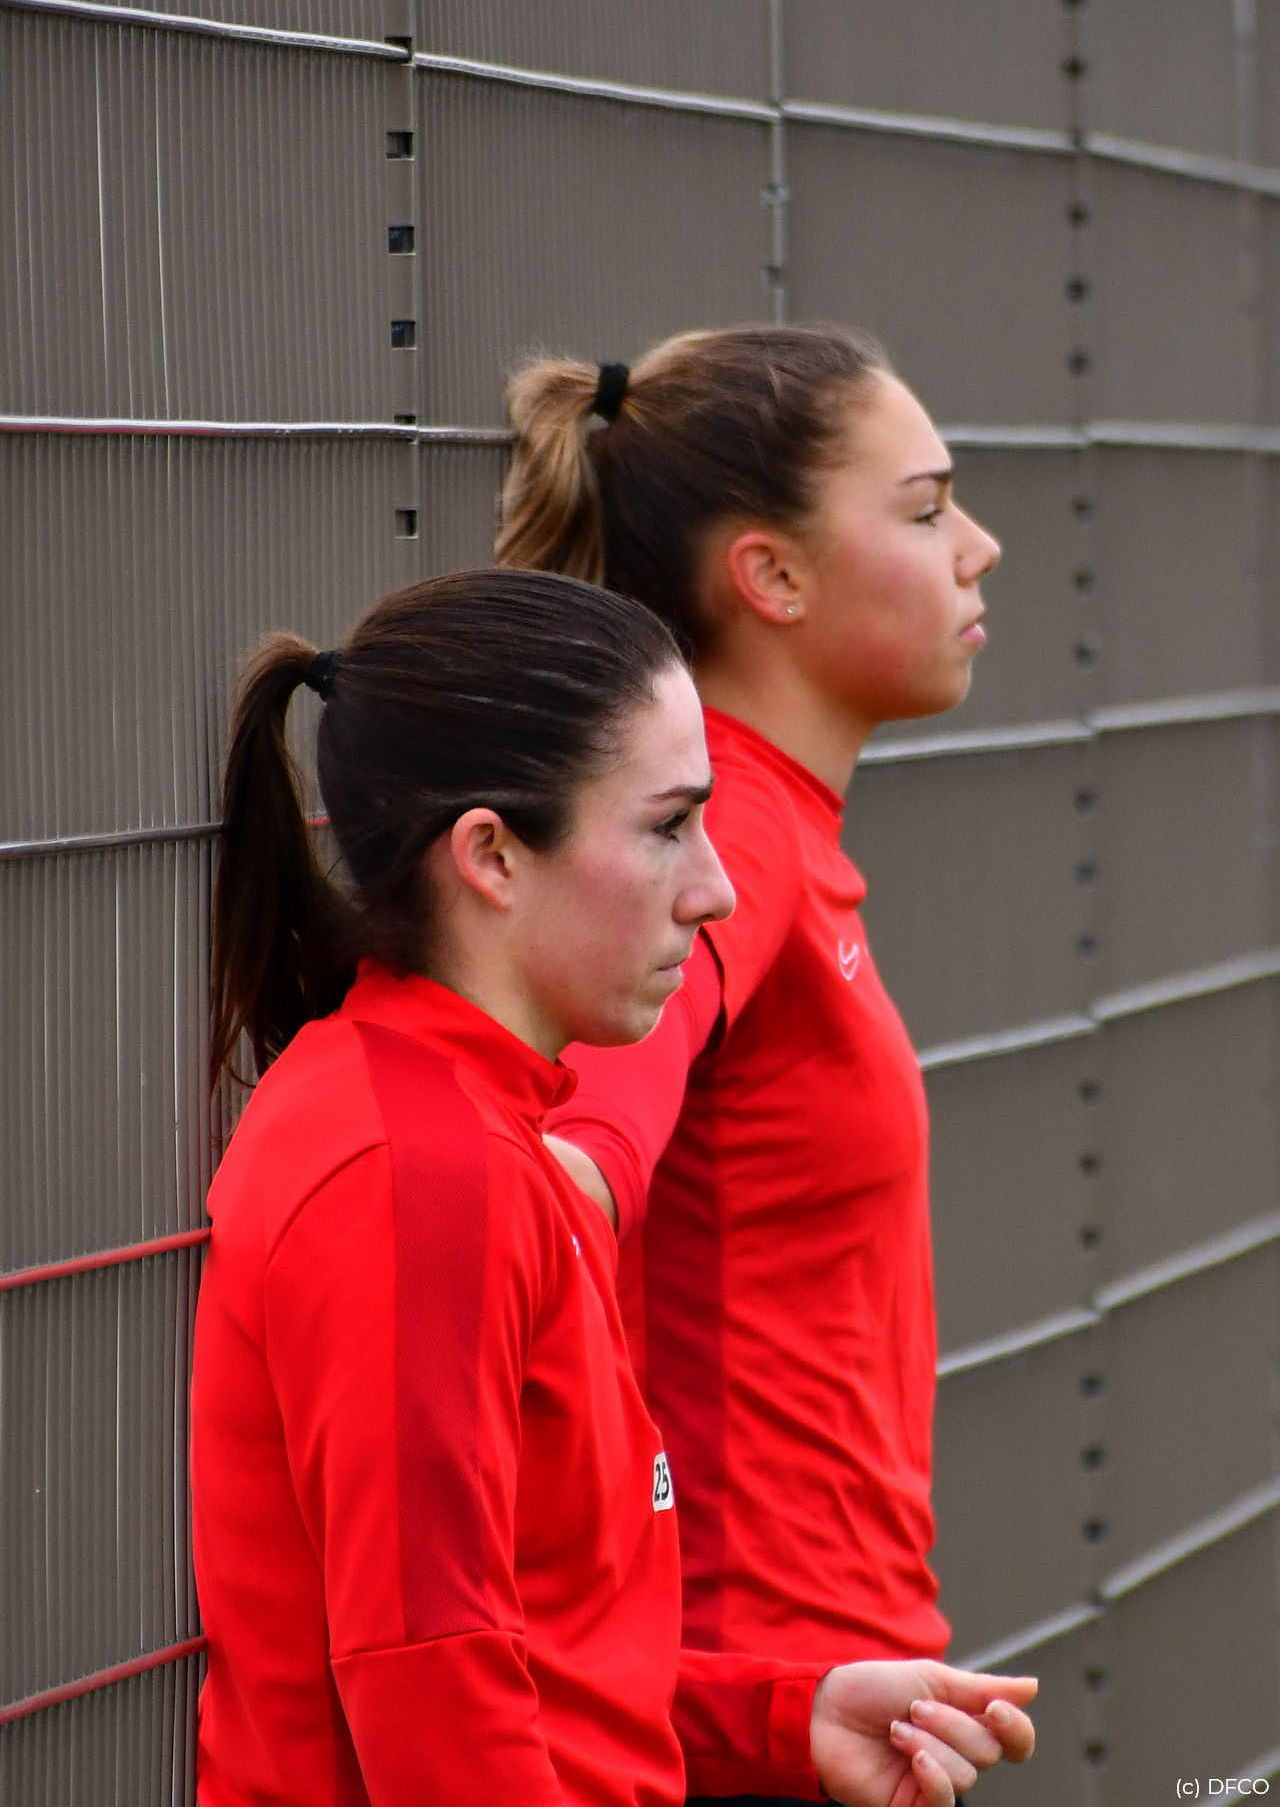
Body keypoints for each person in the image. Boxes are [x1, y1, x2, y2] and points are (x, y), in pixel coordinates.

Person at [192, 568, 1034, 1807]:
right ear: (490, 855)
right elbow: (436, 1692)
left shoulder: (473, 1128)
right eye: (665, 827)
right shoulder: (419, 1171)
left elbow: (542, 1659)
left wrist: (781, 1714)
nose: (714, 888)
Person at [496, 330, 1004, 1806]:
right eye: (925, 508)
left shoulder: (766, 828)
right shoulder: (736, 839)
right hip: (756, 1701)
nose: (977, 546)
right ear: (771, 577)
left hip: (834, 1682)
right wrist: (575, 1181)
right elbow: (585, 1135)